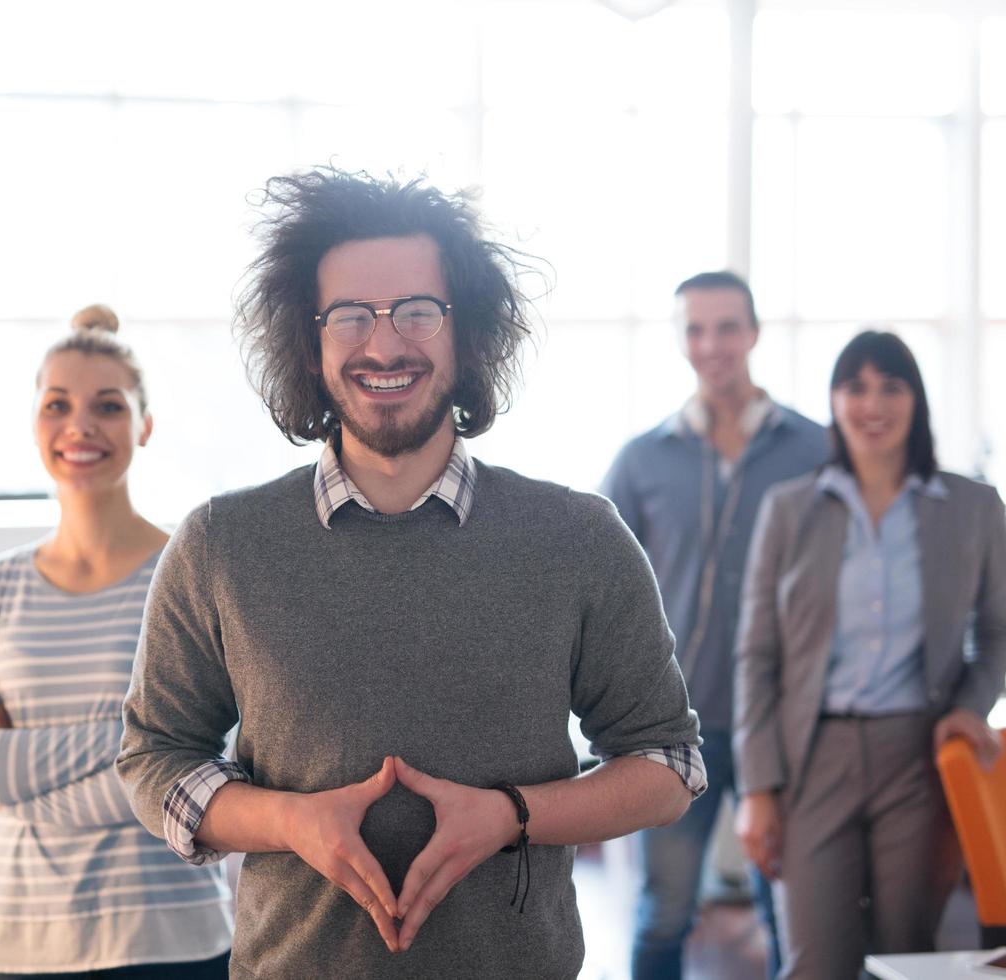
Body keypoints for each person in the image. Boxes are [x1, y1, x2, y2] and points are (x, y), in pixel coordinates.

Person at [115, 168, 707, 979]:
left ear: (467, 336)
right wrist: (290, 822)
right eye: (351, 315)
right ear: (310, 337)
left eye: (417, 313)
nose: (385, 344)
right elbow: (155, 757)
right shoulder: (221, 544)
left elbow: (668, 765)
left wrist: (513, 816)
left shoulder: (577, 538)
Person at [0, 307, 234, 980]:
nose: (80, 426)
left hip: (172, 939)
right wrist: (140, 741)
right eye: (57, 404)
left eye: (109, 406)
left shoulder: (194, 572)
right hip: (19, 939)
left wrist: (10, 773)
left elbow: (215, 767)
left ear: (144, 425)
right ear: (35, 422)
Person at [733, 330, 1006, 978]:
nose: (873, 404)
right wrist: (759, 787)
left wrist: (971, 707)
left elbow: (996, 630)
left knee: (908, 954)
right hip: (813, 758)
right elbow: (756, 656)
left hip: (917, 757)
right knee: (815, 961)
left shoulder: (972, 507)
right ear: (834, 400)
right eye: (854, 387)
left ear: (915, 399)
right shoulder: (789, 509)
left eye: (891, 386)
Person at [601, 271, 827, 980]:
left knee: (791, 915)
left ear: (754, 333)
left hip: (785, 725)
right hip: (673, 727)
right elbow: (602, 593)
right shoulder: (641, 460)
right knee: (665, 910)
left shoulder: (816, 451)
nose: (711, 344)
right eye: (694, 329)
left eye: (726, 326)